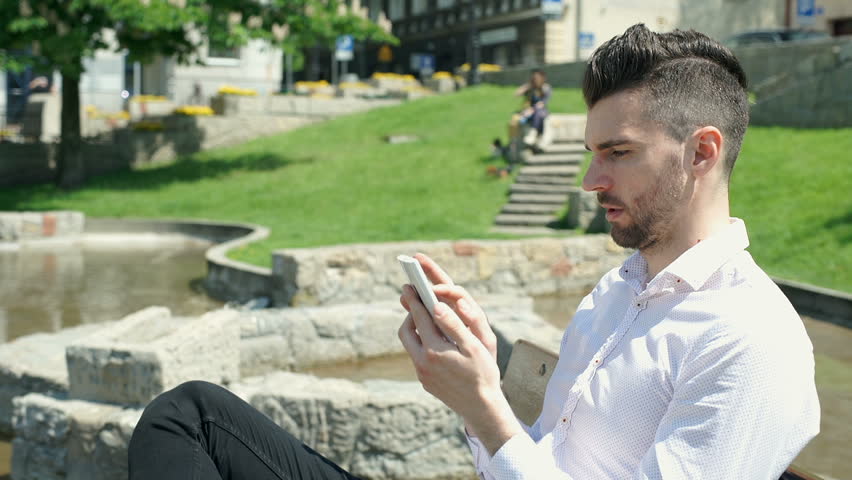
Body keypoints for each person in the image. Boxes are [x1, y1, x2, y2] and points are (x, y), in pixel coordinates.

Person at [127, 24, 820, 479]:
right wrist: (480, 373)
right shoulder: (618, 291)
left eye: (618, 153)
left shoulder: (751, 339)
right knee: (190, 417)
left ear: (702, 152)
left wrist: (486, 408)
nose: (591, 180)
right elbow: (543, 442)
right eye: (591, 153)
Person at [509, 69, 551, 151]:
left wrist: (532, 109)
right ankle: (530, 136)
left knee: (538, 113)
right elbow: (516, 94)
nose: (536, 80)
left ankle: (533, 133)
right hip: (529, 112)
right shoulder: (531, 88)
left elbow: (542, 103)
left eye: (537, 78)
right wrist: (527, 86)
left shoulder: (546, 88)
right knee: (517, 118)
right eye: (534, 78)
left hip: (540, 111)